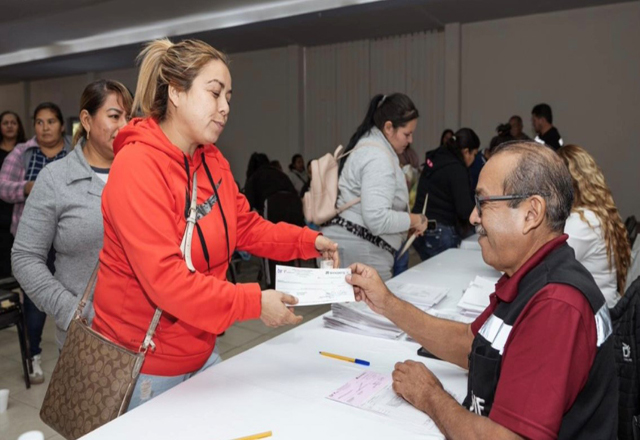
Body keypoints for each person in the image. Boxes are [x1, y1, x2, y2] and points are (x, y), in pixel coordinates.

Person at [90, 38, 339, 410]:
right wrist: (254, 302)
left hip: (201, 349)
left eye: (229, 98)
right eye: (215, 93)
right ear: (176, 92)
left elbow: (246, 227)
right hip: (144, 366)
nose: (225, 108)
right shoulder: (137, 167)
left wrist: (309, 241)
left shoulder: (212, 161)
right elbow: (166, 282)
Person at [347, 141, 616, 439]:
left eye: (483, 203)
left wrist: (431, 396)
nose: (474, 217)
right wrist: (386, 303)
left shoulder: (556, 304)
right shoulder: (532, 277)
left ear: (531, 213)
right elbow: (472, 344)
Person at [12, 80, 133, 351]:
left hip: (148, 336)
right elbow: (24, 257)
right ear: (86, 121)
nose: (125, 126)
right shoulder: (56, 178)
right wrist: (71, 310)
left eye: (130, 117)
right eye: (115, 116)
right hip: (88, 338)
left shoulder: (142, 173)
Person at [0, 102, 72, 384]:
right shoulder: (23, 152)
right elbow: (3, 187)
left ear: (61, 125)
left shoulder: (74, 151)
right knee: (35, 301)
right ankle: (34, 356)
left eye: (51, 122)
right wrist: (27, 187)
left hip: (69, 237)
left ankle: (76, 355)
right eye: (39, 122)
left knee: (73, 296)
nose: (45, 128)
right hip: (35, 240)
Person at [321, 93, 427, 281]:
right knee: (372, 301)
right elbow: (377, 219)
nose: (410, 140)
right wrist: (415, 219)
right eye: (407, 134)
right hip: (363, 251)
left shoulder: (371, 147)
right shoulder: (378, 157)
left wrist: (403, 227)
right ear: (388, 128)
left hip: (357, 246)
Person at [558, 144, 631, 307]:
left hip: (594, 314)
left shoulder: (582, 222)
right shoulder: (595, 214)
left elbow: (547, 266)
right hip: (604, 306)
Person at [412, 128, 479, 261]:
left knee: (431, 271)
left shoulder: (436, 158)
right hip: (441, 232)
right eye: (474, 154)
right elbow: (464, 209)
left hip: (420, 228)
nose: (474, 159)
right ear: (466, 151)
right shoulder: (456, 168)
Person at [0, 111, 26, 277]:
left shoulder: (26, 151)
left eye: (13, 123)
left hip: (19, 210)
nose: (9, 126)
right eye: (5, 123)